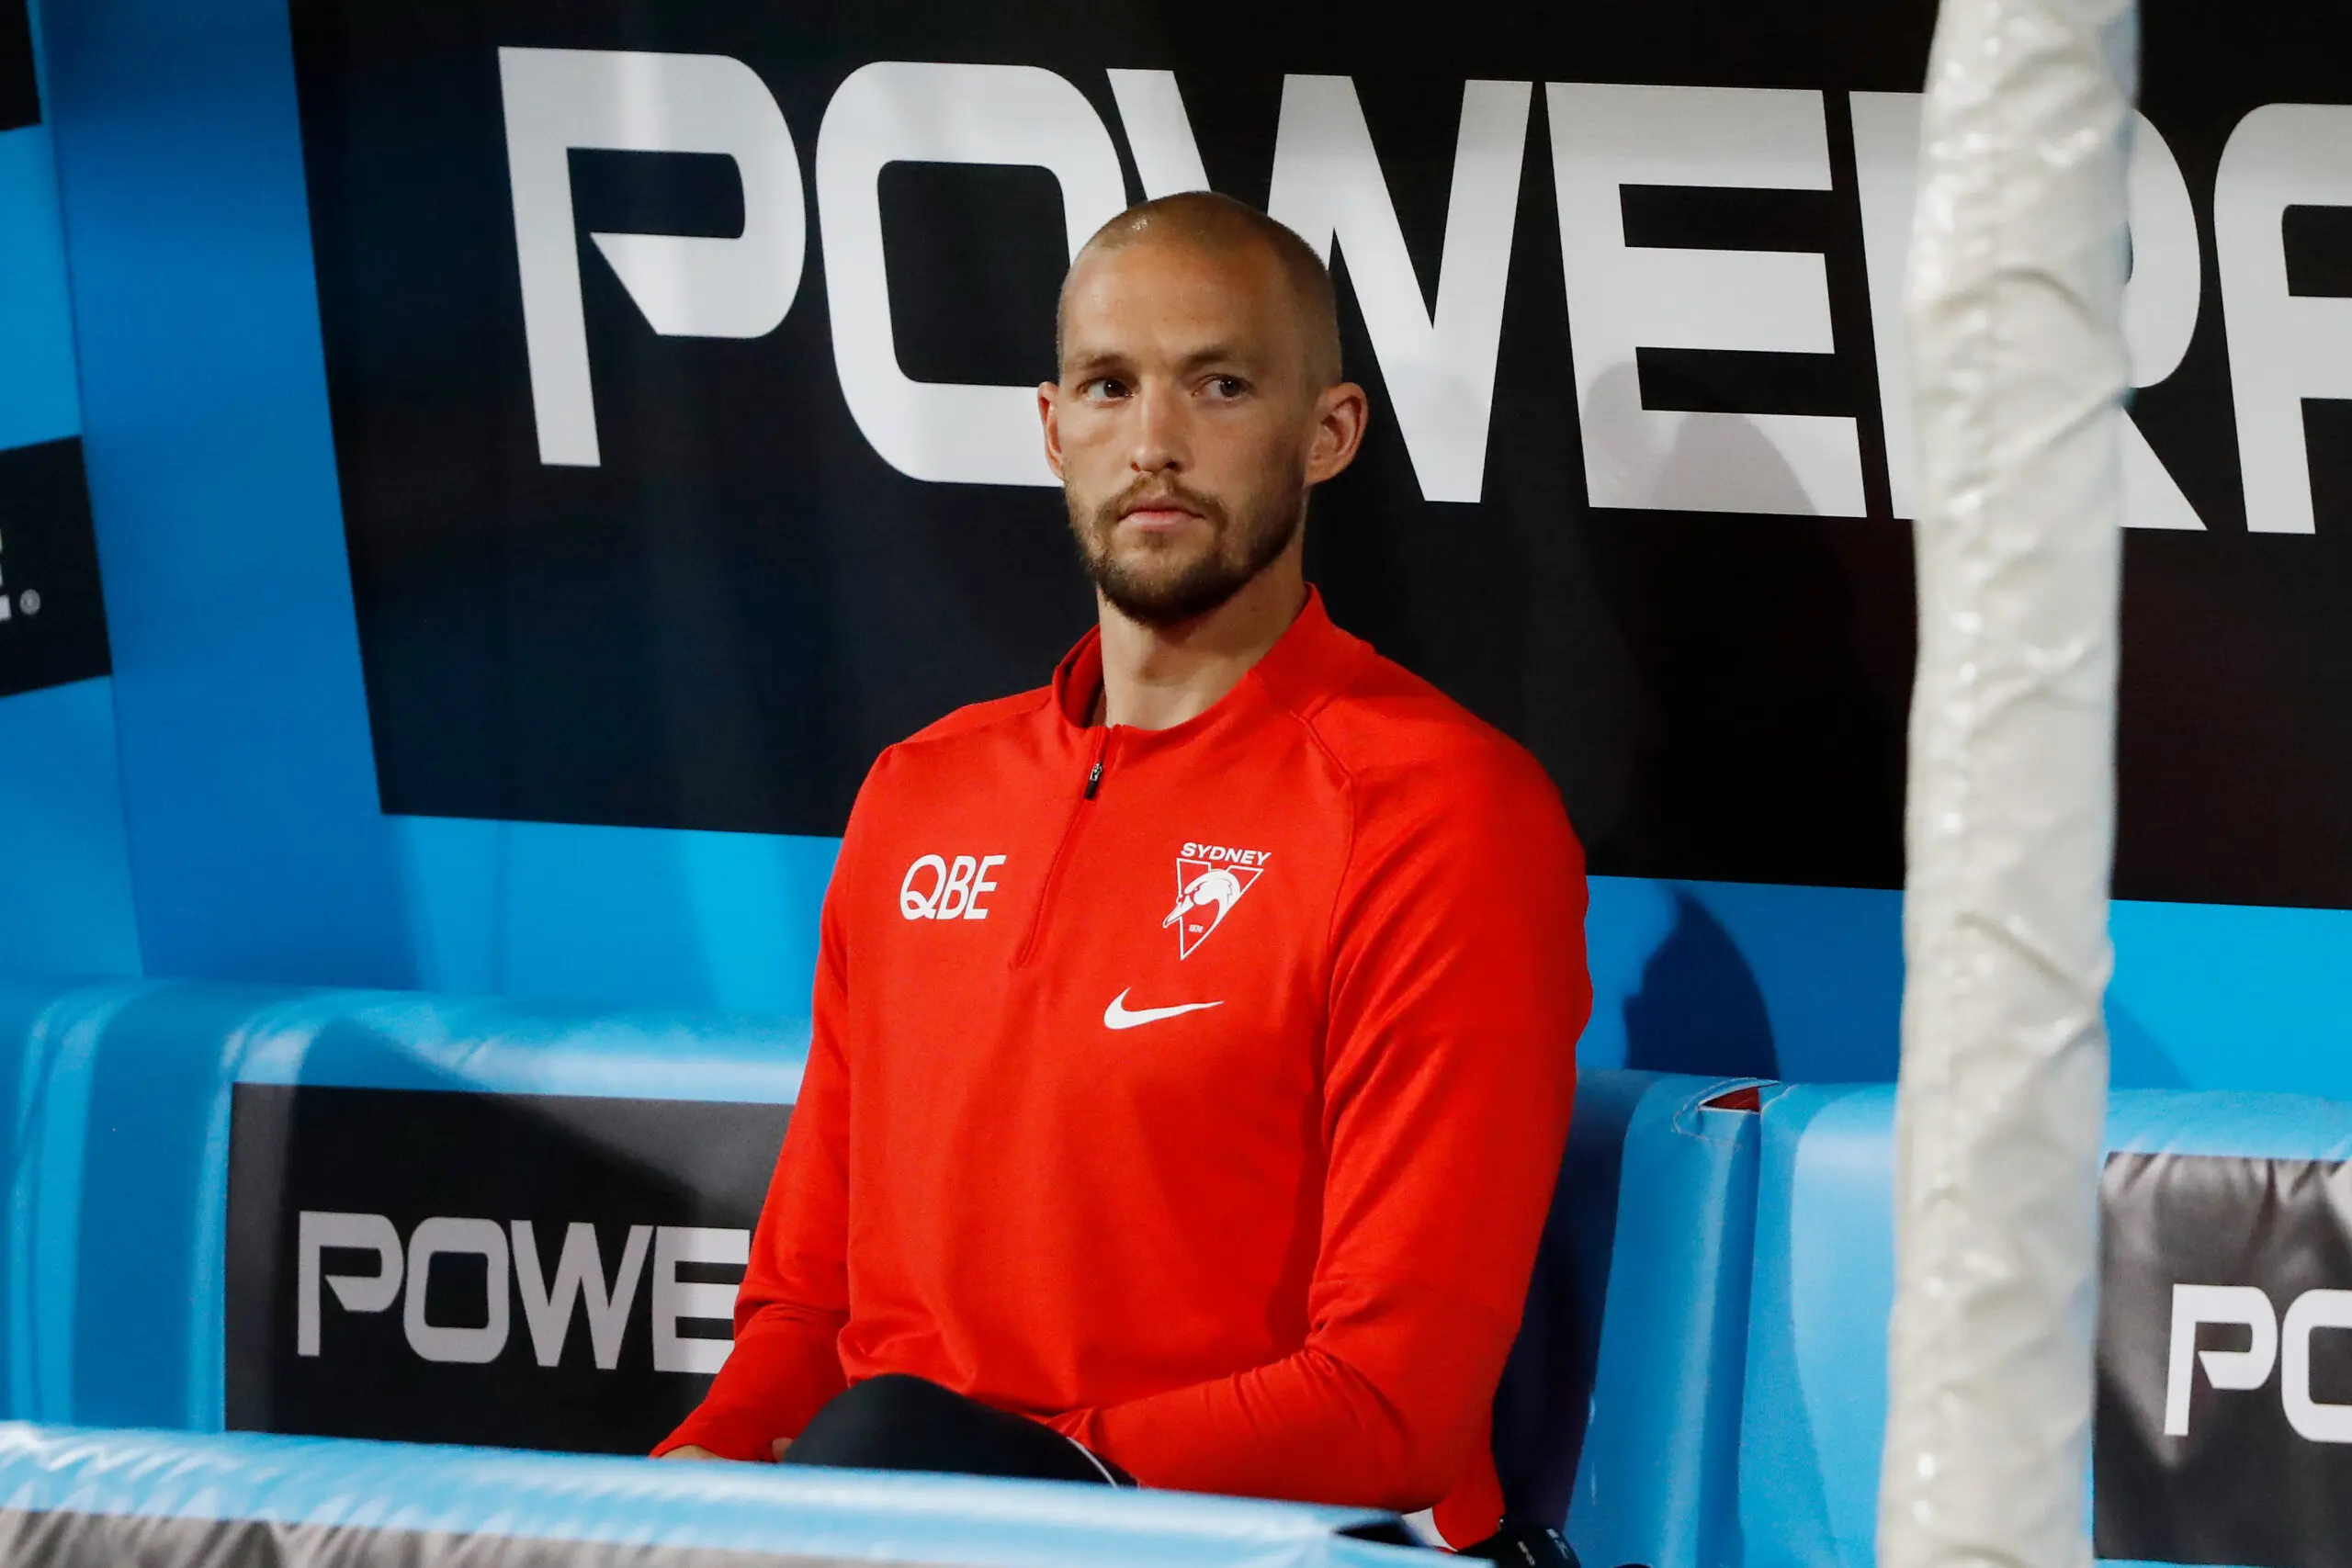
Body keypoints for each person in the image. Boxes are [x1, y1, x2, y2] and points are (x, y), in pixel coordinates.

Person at [656, 192, 1589, 1556]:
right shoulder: (920, 794)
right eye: (1109, 386)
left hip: (1253, 1543)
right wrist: (682, 1489)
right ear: (1053, 429)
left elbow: (1393, 1409)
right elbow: (808, 1307)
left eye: (1219, 385)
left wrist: (1028, 1483)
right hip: (914, 1516)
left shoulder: (1437, 813)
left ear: (1329, 432)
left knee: (886, 1449)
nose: (1154, 442)